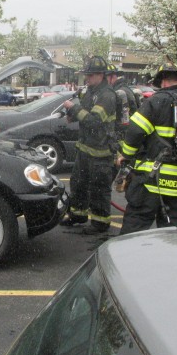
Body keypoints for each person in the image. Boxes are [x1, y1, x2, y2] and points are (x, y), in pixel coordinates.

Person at [118, 66, 177, 234]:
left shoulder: (155, 101)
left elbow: (135, 131)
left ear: (163, 81)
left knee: (135, 225)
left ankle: (126, 259)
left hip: (153, 180)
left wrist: (126, 155)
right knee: (173, 231)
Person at [59, 56, 117, 235]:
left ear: (101, 75)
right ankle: (78, 215)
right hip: (85, 149)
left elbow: (94, 121)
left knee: (99, 188)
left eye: (90, 75)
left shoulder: (107, 95)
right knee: (78, 184)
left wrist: (74, 109)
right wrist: (71, 114)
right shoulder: (91, 92)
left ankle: (100, 223)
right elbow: (84, 112)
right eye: (87, 75)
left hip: (101, 152)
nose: (87, 78)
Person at [105, 64, 139, 142]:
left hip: (122, 135)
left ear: (112, 77)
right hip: (129, 131)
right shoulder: (124, 88)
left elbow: (122, 119)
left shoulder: (119, 92)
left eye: (105, 78)